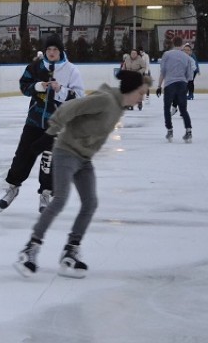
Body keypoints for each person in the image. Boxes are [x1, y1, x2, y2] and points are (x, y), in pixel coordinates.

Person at [14, 70, 152, 278]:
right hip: (66, 152)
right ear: (131, 90)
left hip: (84, 158)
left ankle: (70, 251)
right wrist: (50, 133)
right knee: (60, 199)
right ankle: (30, 249)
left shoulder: (118, 106)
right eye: (141, 93)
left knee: (90, 203)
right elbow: (71, 107)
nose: (142, 97)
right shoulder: (105, 101)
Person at [0, 34, 85, 213]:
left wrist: (61, 90)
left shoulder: (71, 70)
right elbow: (24, 86)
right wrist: (37, 87)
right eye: (49, 50)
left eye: (55, 50)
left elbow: (79, 97)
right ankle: (13, 187)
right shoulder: (36, 66)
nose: (52, 53)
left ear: (61, 51)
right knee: (23, 155)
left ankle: (45, 193)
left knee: (49, 160)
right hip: (34, 121)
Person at [156, 36, 194, 143]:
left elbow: (163, 71)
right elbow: (190, 76)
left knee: (167, 108)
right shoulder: (187, 57)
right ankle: (188, 130)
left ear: (172, 43)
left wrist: (159, 86)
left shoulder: (167, 54)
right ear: (182, 44)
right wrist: (184, 83)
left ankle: (170, 130)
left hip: (169, 84)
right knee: (183, 109)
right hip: (182, 84)